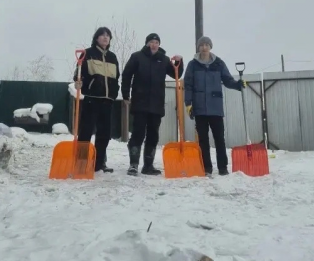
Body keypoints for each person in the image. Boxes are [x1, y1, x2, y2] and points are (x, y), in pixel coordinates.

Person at [121, 33, 183, 176]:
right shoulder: (137, 57)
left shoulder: (164, 59)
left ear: (159, 45)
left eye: (156, 42)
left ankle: (148, 166)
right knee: (138, 133)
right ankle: (133, 164)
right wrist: (125, 94)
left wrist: (180, 62)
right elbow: (127, 75)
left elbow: (176, 74)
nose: (154, 45)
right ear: (147, 43)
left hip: (156, 104)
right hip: (140, 103)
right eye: (151, 42)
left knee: (153, 135)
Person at [184, 36, 245, 176]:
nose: (204, 47)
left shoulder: (219, 63)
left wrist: (238, 85)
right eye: (201, 45)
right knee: (203, 139)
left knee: (219, 138)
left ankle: (222, 167)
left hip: (215, 107)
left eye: (207, 45)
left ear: (210, 47)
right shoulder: (193, 65)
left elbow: (228, 80)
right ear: (198, 47)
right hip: (199, 108)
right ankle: (207, 167)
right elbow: (188, 85)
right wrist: (188, 103)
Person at [74, 26, 120, 173]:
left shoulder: (113, 57)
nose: (105, 37)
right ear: (96, 38)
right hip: (92, 100)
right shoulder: (87, 53)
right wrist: (78, 81)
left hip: (107, 101)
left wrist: (114, 93)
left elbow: (116, 77)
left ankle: (98, 164)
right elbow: (79, 73)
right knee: (85, 132)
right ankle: (81, 163)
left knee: (104, 134)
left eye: (108, 35)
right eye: (102, 35)